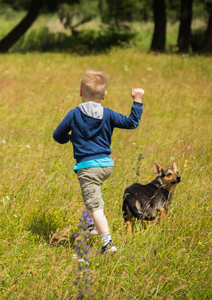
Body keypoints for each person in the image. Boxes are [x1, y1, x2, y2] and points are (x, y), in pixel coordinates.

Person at [53, 70, 144, 254]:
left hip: (88, 168)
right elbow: (131, 123)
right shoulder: (108, 114)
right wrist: (137, 100)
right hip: (106, 165)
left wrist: (69, 138)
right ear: (104, 95)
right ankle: (90, 227)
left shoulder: (74, 114)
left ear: (80, 91)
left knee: (96, 207)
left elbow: (57, 135)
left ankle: (107, 244)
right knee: (90, 196)